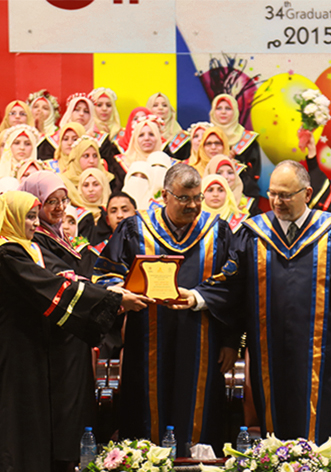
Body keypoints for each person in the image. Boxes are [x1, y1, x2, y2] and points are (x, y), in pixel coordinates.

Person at [0, 191, 147, 472]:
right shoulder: (5, 253)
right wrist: (114, 299)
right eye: (27, 216)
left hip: (30, 354)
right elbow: (51, 289)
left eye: (35, 216)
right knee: (14, 439)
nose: (34, 223)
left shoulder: (21, 249)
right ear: (8, 218)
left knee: (33, 437)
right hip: (12, 358)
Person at [178, 161, 331, 443]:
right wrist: (197, 296)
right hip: (268, 348)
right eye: (273, 194)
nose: (277, 202)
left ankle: (321, 470)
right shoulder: (253, 233)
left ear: (307, 193)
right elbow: (231, 282)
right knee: (273, 421)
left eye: (286, 195)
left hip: (322, 350)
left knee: (321, 422)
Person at [95, 164, 236, 447]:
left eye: (197, 197)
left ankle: (199, 468)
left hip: (202, 340)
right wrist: (122, 295)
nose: (193, 205)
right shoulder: (135, 229)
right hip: (146, 339)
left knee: (198, 412)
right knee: (145, 415)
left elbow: (233, 284)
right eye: (184, 198)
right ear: (165, 195)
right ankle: (145, 468)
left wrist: (227, 337)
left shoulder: (217, 231)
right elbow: (105, 275)